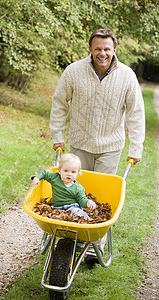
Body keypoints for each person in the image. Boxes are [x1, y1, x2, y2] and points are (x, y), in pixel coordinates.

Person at [49, 28, 145, 259]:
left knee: (100, 197)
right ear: (90, 49)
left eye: (107, 49)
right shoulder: (74, 71)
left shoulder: (127, 76)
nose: (102, 53)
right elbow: (59, 103)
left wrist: (136, 148)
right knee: (75, 191)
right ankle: (74, 235)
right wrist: (57, 136)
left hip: (110, 147)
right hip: (80, 144)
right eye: (98, 49)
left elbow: (136, 114)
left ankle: (94, 243)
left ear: (114, 50)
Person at [31, 153, 96, 219]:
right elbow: (44, 173)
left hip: (72, 207)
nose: (69, 174)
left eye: (73, 172)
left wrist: (88, 202)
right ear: (59, 171)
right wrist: (37, 177)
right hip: (56, 208)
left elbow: (82, 200)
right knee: (51, 217)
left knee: (78, 213)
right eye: (65, 171)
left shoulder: (78, 188)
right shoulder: (55, 178)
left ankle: (87, 224)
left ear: (77, 174)